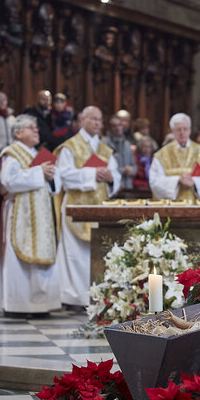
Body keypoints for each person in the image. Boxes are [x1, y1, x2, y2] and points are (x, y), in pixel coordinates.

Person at [0, 115, 62, 317]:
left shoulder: (39, 154)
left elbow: (55, 187)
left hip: (41, 213)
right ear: (17, 133)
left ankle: (40, 305)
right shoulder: (11, 154)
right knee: (17, 259)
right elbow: (8, 181)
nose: (36, 130)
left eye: (36, 127)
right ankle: (17, 305)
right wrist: (39, 172)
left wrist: (50, 177)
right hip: (19, 213)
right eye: (31, 127)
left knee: (41, 260)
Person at [55, 106, 121, 309]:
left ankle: (98, 296)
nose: (97, 123)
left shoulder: (105, 149)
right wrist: (92, 174)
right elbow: (63, 175)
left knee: (98, 253)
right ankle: (74, 298)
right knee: (75, 254)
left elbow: (116, 176)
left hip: (100, 207)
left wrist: (111, 178)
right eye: (93, 119)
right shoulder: (69, 147)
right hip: (75, 206)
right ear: (82, 119)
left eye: (100, 119)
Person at [149, 112, 200, 202]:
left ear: (190, 130)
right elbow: (154, 181)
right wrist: (177, 180)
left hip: (196, 205)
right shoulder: (161, 155)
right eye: (178, 129)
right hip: (171, 206)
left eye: (185, 129)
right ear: (172, 131)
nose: (182, 132)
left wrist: (194, 182)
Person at [102, 111, 136, 191]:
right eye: (114, 126)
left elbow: (134, 165)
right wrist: (122, 170)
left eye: (119, 125)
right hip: (112, 187)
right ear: (109, 127)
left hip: (128, 186)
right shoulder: (104, 143)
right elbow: (103, 167)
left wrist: (132, 170)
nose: (117, 128)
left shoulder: (127, 143)